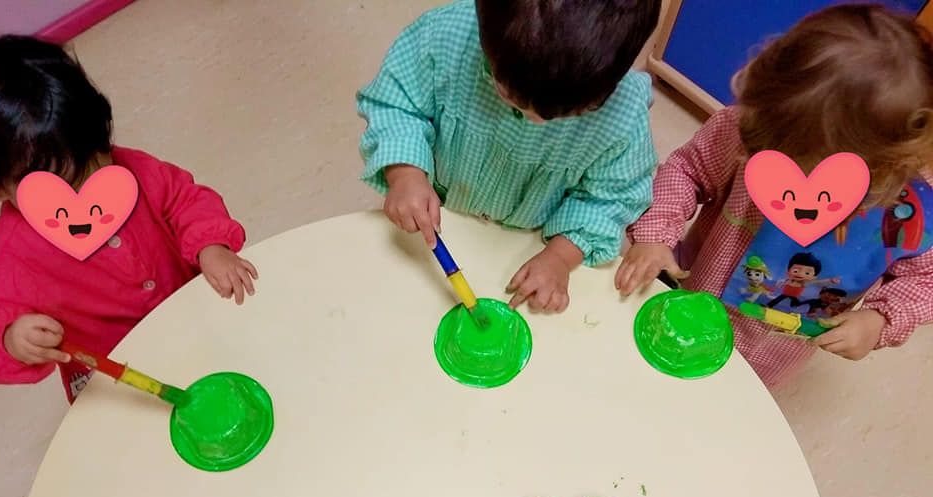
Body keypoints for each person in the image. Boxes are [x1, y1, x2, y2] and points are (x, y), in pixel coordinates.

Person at [615, 4, 933, 387]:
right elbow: (688, 170)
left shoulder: (909, 213)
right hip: (688, 281)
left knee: (724, 397)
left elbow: (926, 281)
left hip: (770, 349)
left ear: (890, 165)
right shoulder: (752, 127)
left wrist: (881, 319)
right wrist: (655, 232)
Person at [0, 35, 258, 402]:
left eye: (95, 166)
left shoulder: (131, 168)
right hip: (121, 379)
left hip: (194, 318)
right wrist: (10, 338)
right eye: (60, 193)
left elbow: (185, 199)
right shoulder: (17, 254)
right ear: (0, 189)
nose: (87, 198)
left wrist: (211, 246)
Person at [357, 0, 660, 313]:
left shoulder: (623, 117)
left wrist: (560, 257)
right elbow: (397, 104)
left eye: (571, 112)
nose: (535, 121)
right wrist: (406, 173)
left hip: (529, 241)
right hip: (441, 216)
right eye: (512, 98)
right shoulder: (444, 38)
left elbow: (611, 198)